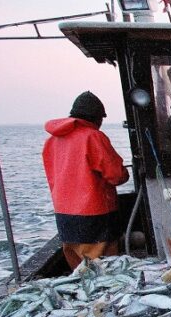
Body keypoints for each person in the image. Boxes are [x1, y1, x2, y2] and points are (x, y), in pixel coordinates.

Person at [42, 91, 130, 269]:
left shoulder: (52, 141)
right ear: (97, 118)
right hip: (95, 217)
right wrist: (124, 173)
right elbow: (116, 175)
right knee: (105, 271)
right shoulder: (93, 136)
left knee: (80, 273)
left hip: (64, 218)